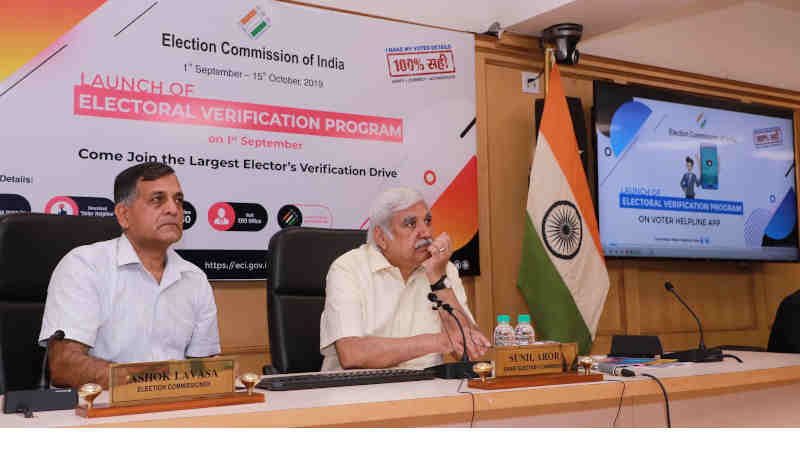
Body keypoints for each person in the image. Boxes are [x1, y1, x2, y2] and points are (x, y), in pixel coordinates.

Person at [38, 162, 220, 389]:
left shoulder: (195, 279)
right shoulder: (85, 266)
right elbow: (65, 367)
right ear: (124, 215)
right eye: (157, 199)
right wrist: (155, 383)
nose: (173, 209)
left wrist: (218, 374)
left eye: (178, 200)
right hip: (100, 412)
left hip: (177, 410)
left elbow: (204, 366)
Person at [319, 187, 490, 371]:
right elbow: (352, 354)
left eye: (427, 221)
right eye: (410, 224)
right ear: (381, 237)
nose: (425, 233)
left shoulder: (442, 268)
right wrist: (437, 342)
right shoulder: (348, 268)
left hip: (427, 390)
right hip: (358, 391)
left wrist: (439, 280)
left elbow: (470, 349)